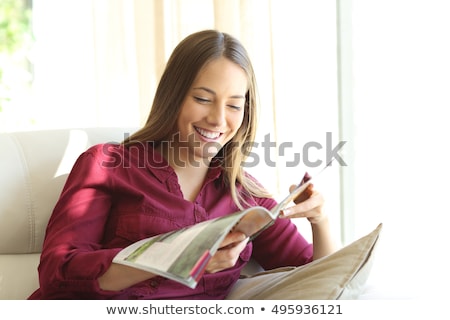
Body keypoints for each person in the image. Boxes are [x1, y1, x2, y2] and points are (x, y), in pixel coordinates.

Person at [28, 29, 335, 300]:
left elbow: (319, 278)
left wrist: (319, 220)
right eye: (203, 99)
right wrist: (177, 261)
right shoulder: (108, 165)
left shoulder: (245, 195)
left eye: (233, 105)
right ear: (173, 97)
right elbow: (58, 273)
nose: (217, 119)